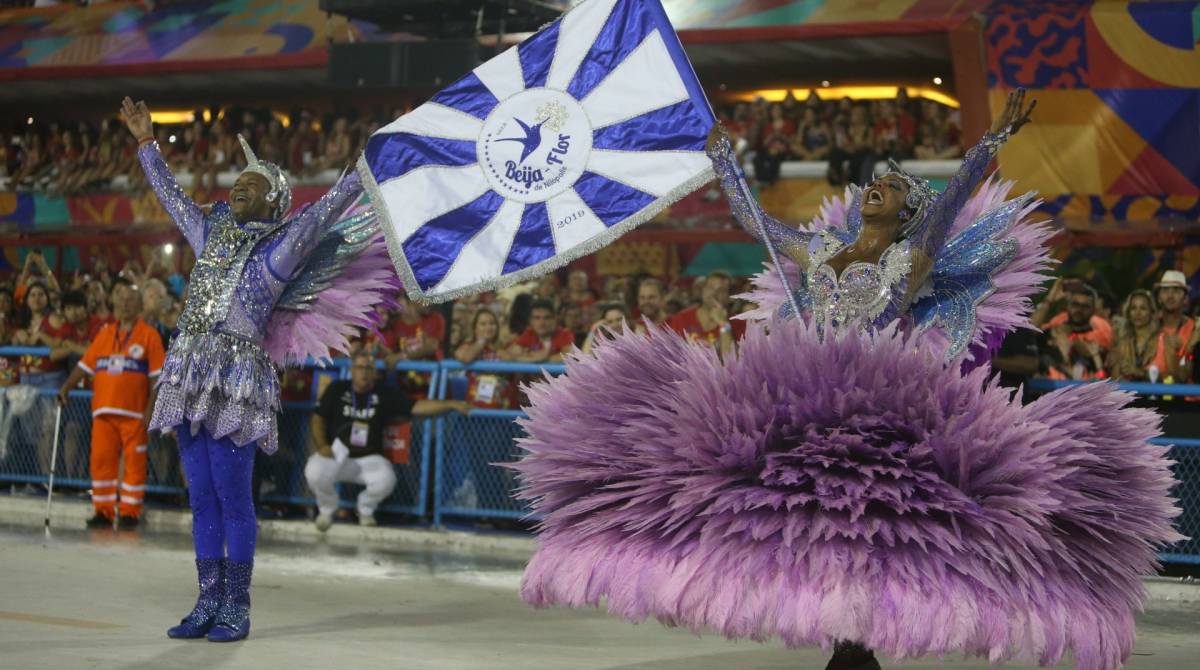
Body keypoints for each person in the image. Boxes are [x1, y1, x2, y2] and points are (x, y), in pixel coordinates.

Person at [513, 90, 1182, 670]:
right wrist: (722, 162)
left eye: (889, 188)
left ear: (904, 212)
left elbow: (951, 206)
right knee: (794, 516)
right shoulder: (818, 251)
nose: (875, 188)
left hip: (879, 401)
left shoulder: (910, 261)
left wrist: (990, 143)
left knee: (872, 526)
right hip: (805, 393)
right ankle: (839, 637)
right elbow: (755, 223)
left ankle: (858, 645)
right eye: (873, 183)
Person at [121, 96, 391, 642]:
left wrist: (362, 168)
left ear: (274, 199)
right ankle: (205, 601)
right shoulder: (208, 234)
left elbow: (324, 214)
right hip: (190, 371)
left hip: (236, 380)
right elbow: (171, 197)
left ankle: (236, 606)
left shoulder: (281, 249)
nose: (238, 187)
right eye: (236, 182)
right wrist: (147, 142)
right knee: (200, 497)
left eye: (252, 183)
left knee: (232, 494)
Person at [304, 352, 469, 530]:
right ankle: (327, 510)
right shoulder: (337, 389)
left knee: (387, 478)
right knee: (313, 470)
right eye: (360, 367)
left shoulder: (384, 393)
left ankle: (365, 509)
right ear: (352, 370)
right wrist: (322, 446)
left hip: (369, 458)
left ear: (374, 372)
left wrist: (452, 404)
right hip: (338, 454)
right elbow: (318, 418)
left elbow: (417, 407)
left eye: (369, 368)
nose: (364, 373)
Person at [56, 279, 165, 529]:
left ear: (139, 306)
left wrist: (151, 409)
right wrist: (65, 388)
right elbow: (83, 366)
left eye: (131, 300)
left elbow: (157, 378)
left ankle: (129, 512)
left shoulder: (150, 336)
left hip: (135, 414)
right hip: (103, 412)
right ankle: (103, 511)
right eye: (121, 299)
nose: (125, 304)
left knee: (134, 464)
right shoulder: (104, 334)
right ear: (114, 303)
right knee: (101, 462)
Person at [667, 271, 745, 357]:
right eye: (710, 288)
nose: (714, 293)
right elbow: (669, 353)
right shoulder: (681, 318)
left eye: (721, 290)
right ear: (703, 290)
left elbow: (732, 361)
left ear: (730, 297)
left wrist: (724, 324)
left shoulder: (738, 323)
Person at [1151, 270, 1195, 384]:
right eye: (1165, 290)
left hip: (1185, 395)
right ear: (1159, 297)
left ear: (1185, 298)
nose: (1170, 295)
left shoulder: (1195, 329)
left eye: (1176, 290)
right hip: (1148, 393)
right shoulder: (1149, 325)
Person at [1107, 290, 1159, 382]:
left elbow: (1169, 376)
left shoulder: (1161, 341)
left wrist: (1139, 372)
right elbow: (1114, 380)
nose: (1137, 313)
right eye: (1133, 308)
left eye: (1143, 308)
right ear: (1128, 312)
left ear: (1151, 312)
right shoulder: (1121, 343)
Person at [504, 299, 574, 364]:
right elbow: (512, 353)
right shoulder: (529, 333)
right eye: (537, 318)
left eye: (547, 317)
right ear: (530, 320)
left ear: (555, 319)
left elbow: (568, 356)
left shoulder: (565, 333)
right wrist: (541, 357)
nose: (542, 323)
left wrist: (531, 356)